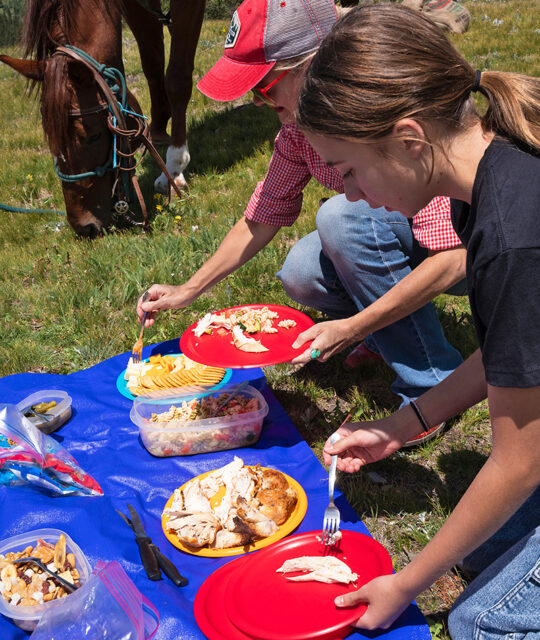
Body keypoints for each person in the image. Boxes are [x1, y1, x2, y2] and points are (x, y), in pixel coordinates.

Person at [296, 3, 540, 636]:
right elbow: (516, 352)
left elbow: (522, 461)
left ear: (409, 140)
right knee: (484, 550)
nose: (346, 192)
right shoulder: (484, 184)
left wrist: (406, 584)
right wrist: (404, 425)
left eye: (348, 170)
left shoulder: (515, 232)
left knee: (480, 621)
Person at [138, 0, 466, 425]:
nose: (257, 101)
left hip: (476, 250)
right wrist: (190, 289)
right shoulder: (297, 129)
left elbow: (455, 256)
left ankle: (434, 390)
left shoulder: (383, 108)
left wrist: (354, 326)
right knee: (301, 271)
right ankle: (392, 332)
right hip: (416, 240)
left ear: (316, 61)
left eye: (264, 84)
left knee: (341, 220)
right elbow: (264, 213)